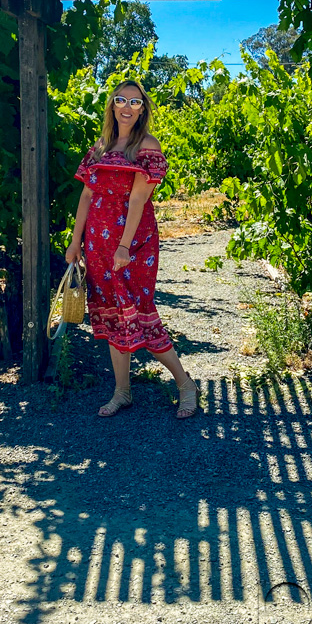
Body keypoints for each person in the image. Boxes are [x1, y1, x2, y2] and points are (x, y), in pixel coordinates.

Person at [65, 79, 200, 419]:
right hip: (97, 242)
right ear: (112, 104)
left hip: (133, 242)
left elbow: (139, 197)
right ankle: (122, 391)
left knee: (138, 311)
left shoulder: (147, 146)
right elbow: (86, 195)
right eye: (120, 100)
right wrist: (74, 241)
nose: (126, 107)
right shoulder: (100, 147)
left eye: (135, 102)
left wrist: (124, 245)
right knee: (111, 312)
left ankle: (185, 384)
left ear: (143, 110)